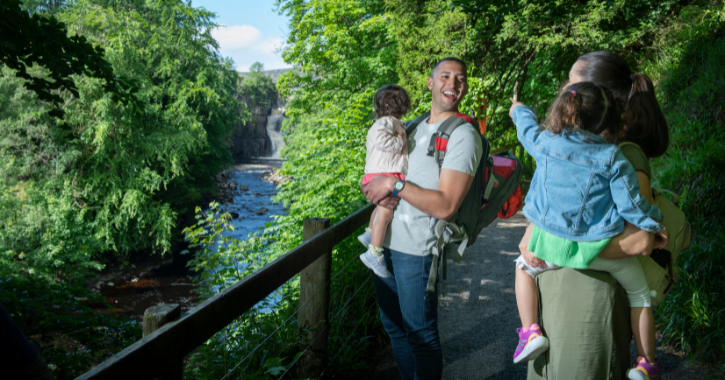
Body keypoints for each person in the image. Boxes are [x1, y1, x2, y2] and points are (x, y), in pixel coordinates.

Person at [520, 51, 672, 380]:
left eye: (573, 82)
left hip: (588, 306)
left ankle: (647, 363)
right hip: (561, 295)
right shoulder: (582, 149)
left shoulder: (623, 155)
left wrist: (561, 246)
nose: (564, 88)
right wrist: (534, 233)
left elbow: (638, 240)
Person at [361, 57, 484, 380]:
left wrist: (394, 185)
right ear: (431, 83)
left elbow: (446, 206)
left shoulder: (463, 136)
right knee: (396, 329)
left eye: (460, 79)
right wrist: (376, 188)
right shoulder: (412, 126)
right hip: (384, 243)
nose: (452, 84)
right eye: (445, 76)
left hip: (416, 251)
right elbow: (384, 167)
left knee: (421, 335)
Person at [358, 85, 411, 278]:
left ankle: (370, 233)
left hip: (379, 173)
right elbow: (380, 139)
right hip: (383, 174)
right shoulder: (387, 122)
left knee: (382, 209)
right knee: (386, 215)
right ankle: (374, 253)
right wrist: (400, 142)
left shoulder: (389, 121)